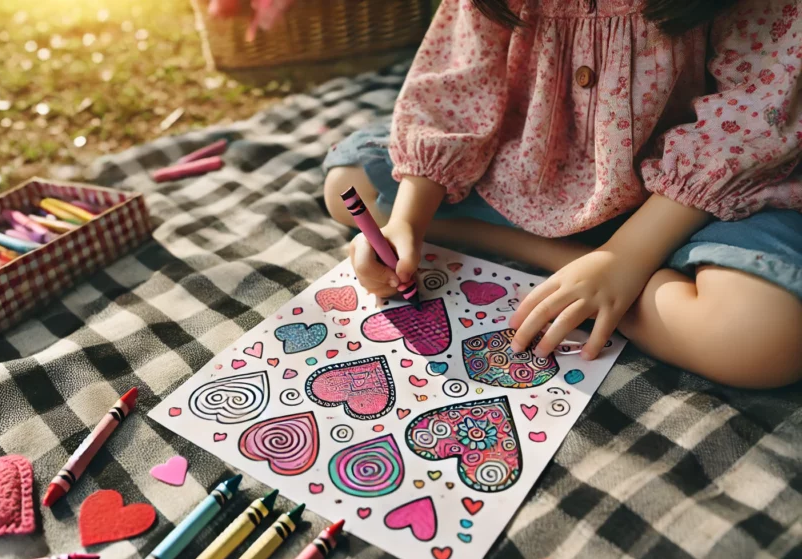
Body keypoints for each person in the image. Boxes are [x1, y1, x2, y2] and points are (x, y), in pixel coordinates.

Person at [323, 0, 802, 389]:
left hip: (691, 199)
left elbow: (752, 125)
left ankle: (585, 261)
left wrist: (628, 255)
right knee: (348, 185)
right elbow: (456, 87)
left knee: (759, 340)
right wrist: (406, 222)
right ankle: (563, 256)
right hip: (531, 171)